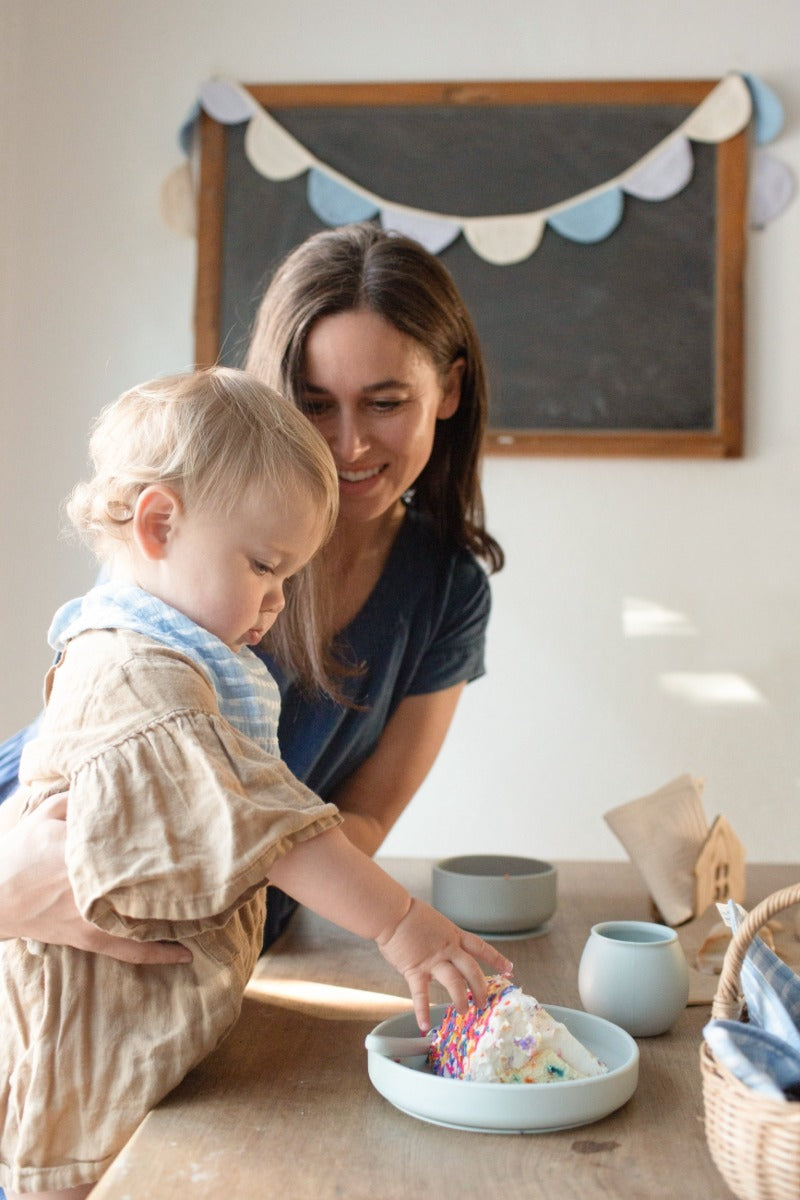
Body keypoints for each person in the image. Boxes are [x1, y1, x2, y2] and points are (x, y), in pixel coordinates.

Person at [0, 367, 510, 1199]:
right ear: (159, 523)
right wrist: (403, 927)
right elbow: (272, 823)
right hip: (91, 1088)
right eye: (265, 567)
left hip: (159, 1055)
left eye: (287, 578)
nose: (275, 602)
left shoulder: (188, 646)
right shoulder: (140, 677)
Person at [0, 221, 505, 959]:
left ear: (449, 388)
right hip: (46, 859)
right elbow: (88, 757)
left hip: (219, 918)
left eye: (385, 403)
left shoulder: (447, 589)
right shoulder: (201, 536)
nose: (347, 445)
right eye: (315, 403)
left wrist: (225, 886)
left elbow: (359, 822)